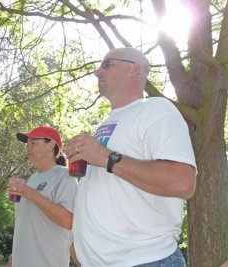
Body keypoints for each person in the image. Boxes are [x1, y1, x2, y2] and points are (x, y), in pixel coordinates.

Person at [66, 48, 197, 267]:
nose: (97, 72)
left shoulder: (157, 109)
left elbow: (183, 182)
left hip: (146, 261)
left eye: (107, 64)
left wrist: (106, 157)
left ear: (134, 70)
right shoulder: (107, 123)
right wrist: (80, 247)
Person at [8, 125, 79, 267]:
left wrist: (28, 192)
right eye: (28, 143)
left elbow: (68, 221)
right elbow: (29, 225)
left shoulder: (65, 176)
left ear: (52, 145)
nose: (28, 147)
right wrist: (14, 257)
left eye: (33, 143)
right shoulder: (33, 178)